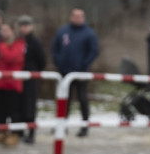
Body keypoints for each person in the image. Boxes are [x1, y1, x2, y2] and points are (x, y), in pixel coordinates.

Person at [52, 8, 99, 137]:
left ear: (83, 18)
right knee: (64, 99)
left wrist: (84, 64)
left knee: (82, 99)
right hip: (64, 71)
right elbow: (55, 48)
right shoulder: (63, 30)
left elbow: (94, 51)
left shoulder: (89, 33)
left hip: (81, 73)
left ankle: (84, 126)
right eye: (75, 16)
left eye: (79, 16)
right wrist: (58, 62)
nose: (77, 18)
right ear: (71, 17)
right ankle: (62, 125)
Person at [0, 22, 25, 146]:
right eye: (2, 30)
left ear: (12, 31)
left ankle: (14, 134)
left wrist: (3, 48)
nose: (3, 33)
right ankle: (2, 132)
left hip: (12, 83)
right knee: (0, 111)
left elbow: (12, 58)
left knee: (13, 111)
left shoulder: (19, 44)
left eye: (6, 30)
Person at [18, 15, 46, 143]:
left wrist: (35, 73)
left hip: (30, 77)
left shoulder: (35, 42)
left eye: (27, 26)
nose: (24, 28)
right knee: (19, 105)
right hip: (18, 77)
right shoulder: (17, 40)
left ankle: (31, 132)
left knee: (30, 106)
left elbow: (42, 60)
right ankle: (19, 130)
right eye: (22, 26)